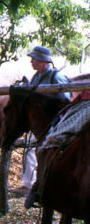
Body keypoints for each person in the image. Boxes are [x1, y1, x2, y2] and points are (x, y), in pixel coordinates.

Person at [23, 46, 71, 208]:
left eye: (34, 59)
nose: (32, 61)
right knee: (31, 149)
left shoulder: (56, 77)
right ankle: (33, 184)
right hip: (39, 125)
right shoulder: (36, 77)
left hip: (57, 123)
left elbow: (66, 101)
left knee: (47, 150)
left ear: (44, 61)